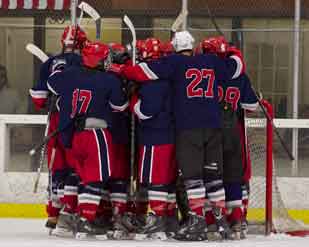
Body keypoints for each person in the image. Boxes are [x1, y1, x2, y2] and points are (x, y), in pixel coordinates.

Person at [111, 30, 246, 241]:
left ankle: (198, 222)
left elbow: (142, 72)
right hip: (214, 127)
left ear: (175, 47)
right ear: (192, 46)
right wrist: (233, 51)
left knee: (193, 179)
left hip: (188, 129)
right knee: (213, 178)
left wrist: (121, 69)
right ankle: (219, 223)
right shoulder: (210, 60)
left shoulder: (174, 63)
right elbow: (237, 68)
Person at [47, 41, 129, 240]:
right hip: (96, 134)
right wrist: (123, 84)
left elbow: (51, 83)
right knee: (95, 178)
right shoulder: (108, 79)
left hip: (74, 136)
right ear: (99, 59)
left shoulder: (70, 74)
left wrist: (61, 66)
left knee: (79, 176)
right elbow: (120, 106)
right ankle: (86, 221)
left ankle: (72, 217)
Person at [29, 25, 87, 234]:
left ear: (63, 42)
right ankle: (72, 211)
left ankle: (54, 215)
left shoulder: (50, 63)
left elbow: (38, 98)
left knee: (57, 166)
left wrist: (49, 102)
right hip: (79, 120)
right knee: (75, 167)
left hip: (56, 119)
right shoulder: (85, 62)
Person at [199, 36, 258, 240]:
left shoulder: (204, 73)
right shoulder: (240, 75)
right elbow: (251, 106)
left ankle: (211, 223)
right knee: (235, 177)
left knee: (210, 178)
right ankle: (237, 221)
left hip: (209, 132)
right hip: (233, 133)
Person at [129, 38, 177, 240]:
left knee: (154, 180)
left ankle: (157, 223)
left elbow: (146, 111)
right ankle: (170, 220)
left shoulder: (154, 83)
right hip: (170, 135)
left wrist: (133, 100)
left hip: (154, 137)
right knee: (167, 181)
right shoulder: (169, 77)